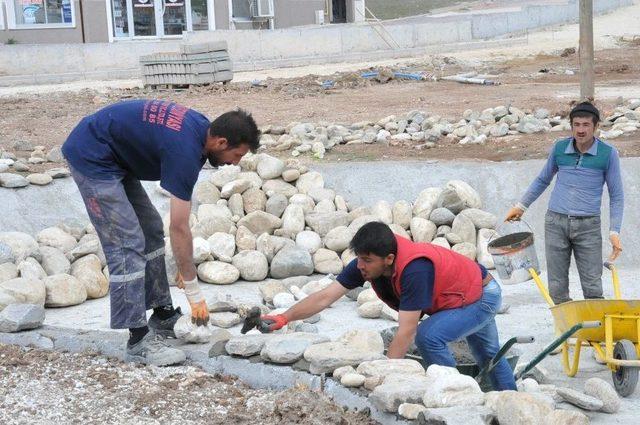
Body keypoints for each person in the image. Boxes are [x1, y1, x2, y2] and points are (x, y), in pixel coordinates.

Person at [62, 99, 260, 365]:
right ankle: (138, 340)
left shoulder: (203, 130)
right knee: (127, 241)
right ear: (221, 142)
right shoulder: (184, 152)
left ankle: (163, 314)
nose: (233, 164)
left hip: (117, 155)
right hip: (92, 156)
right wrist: (193, 290)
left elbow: (172, 228)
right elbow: (178, 226)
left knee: (150, 229)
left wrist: (184, 262)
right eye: (237, 156)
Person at [260, 221, 517, 391]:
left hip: (482, 294)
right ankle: (509, 401)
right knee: (489, 354)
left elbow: (407, 331)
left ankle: (451, 394)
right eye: (358, 258)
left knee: (430, 337)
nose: (360, 266)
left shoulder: (415, 270)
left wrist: (383, 377)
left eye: (367, 261)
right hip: (462, 291)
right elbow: (325, 296)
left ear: (389, 258)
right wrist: (285, 317)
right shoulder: (369, 263)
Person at [504, 102, 624, 305]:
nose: (581, 130)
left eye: (586, 125)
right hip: (555, 223)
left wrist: (614, 231)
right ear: (571, 126)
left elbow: (617, 196)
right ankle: (566, 332)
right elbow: (543, 180)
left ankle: (594, 334)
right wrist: (521, 206)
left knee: (593, 286)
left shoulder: (608, 154)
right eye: (576, 124)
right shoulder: (560, 148)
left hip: (588, 226)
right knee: (557, 286)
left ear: (595, 127)